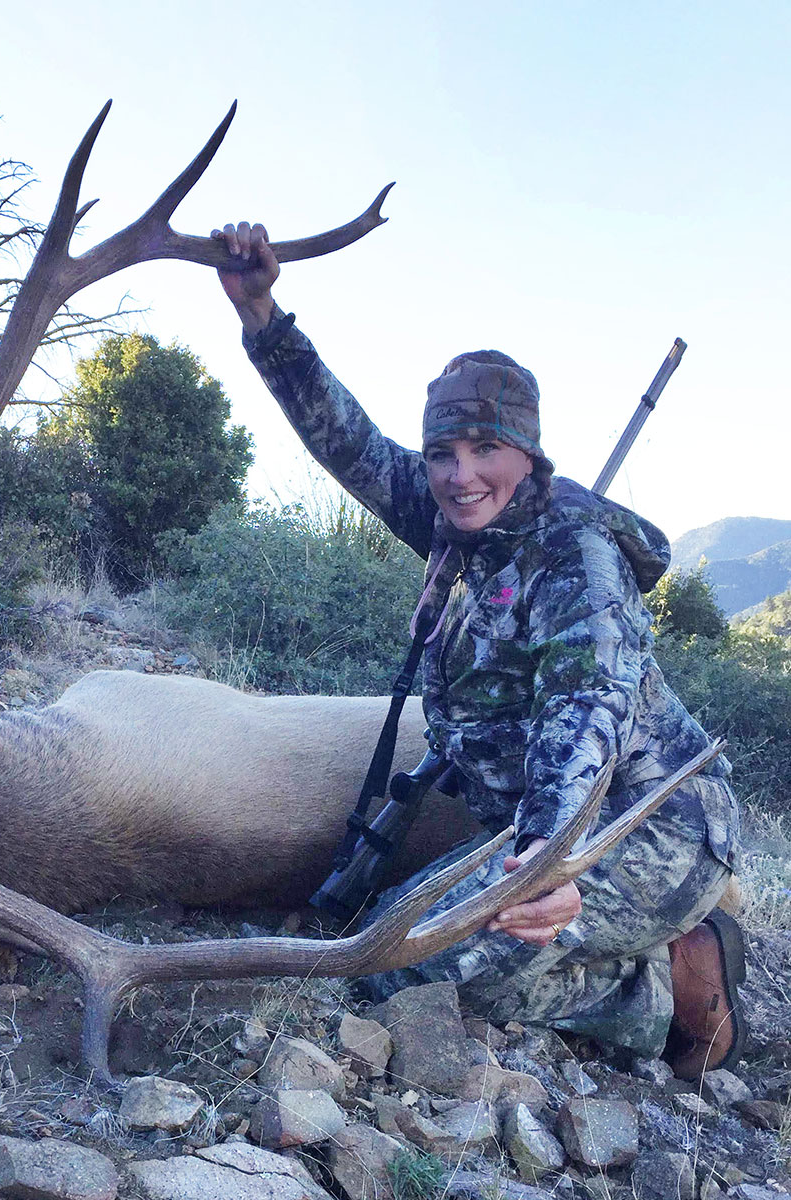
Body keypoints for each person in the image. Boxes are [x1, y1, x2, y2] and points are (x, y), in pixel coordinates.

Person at [212, 220, 746, 1079]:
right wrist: (265, 320)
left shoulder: (580, 560)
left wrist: (547, 858)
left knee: (413, 974)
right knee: (382, 929)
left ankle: (673, 990)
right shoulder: (451, 522)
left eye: (486, 449)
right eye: (442, 454)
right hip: (545, 825)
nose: (460, 474)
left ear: (527, 453)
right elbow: (346, 443)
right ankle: (642, 966)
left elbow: (587, 716)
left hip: (652, 826)